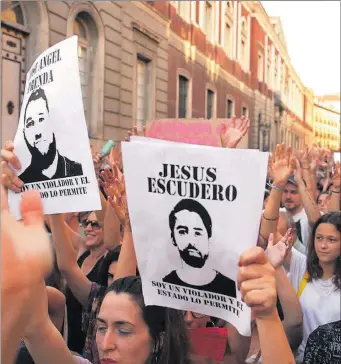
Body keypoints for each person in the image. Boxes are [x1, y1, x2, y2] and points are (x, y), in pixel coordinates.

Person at [283, 212, 341, 363]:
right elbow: (267, 232)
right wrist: (277, 188)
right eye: (319, 238)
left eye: (332, 240)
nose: (323, 245)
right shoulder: (302, 268)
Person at [163, 198, 236, 298]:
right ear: (173, 238)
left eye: (197, 233)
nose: (191, 241)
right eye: (182, 232)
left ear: (208, 237)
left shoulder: (230, 288)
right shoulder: (165, 284)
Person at [19, 88, 83, 183]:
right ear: (24, 134)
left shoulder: (78, 171)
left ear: (53, 123)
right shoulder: (19, 183)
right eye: (30, 124)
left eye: (41, 119)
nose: (37, 133)